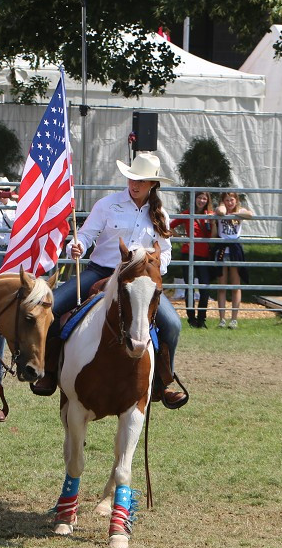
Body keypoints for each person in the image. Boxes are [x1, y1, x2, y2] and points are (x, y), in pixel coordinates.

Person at [30, 151, 187, 409]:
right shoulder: (107, 204)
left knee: (173, 325)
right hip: (101, 270)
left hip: (139, 281)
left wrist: (155, 266)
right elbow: (86, 234)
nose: (134, 185)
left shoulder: (160, 214)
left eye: (141, 181)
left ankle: (163, 381)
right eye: (131, 179)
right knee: (54, 306)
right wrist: (76, 246)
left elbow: (165, 251)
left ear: (152, 185)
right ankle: (48, 371)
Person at [169, 191, 214, 328]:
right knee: (190, 287)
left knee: (205, 287)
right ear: (195, 199)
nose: (201, 200)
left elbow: (214, 234)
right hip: (188, 254)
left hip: (204, 255)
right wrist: (181, 239)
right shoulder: (187, 213)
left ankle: (202, 319)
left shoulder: (210, 215)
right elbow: (170, 225)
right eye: (199, 197)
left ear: (207, 200)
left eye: (204, 198)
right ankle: (191, 319)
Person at [212, 190, 254, 329]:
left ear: (236, 201)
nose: (229, 203)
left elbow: (250, 214)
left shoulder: (240, 211)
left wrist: (235, 213)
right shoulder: (221, 210)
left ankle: (234, 319)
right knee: (222, 286)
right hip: (222, 249)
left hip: (235, 249)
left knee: (236, 285)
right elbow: (221, 211)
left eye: (232, 200)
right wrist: (225, 209)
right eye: (227, 200)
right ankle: (222, 319)